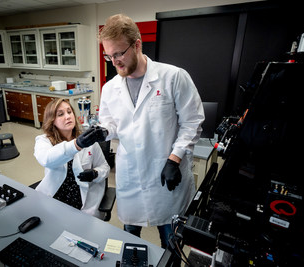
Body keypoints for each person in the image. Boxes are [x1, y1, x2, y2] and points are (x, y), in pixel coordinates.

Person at [97, 14, 205, 248]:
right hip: (130, 178)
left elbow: (192, 122)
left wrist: (174, 159)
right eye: (109, 55)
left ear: (137, 44)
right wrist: (101, 132)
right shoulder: (110, 88)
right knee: (130, 241)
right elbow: (111, 124)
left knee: (170, 245)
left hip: (166, 176)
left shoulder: (173, 77)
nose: (114, 62)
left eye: (118, 54)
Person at [33, 98, 110, 219]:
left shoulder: (88, 140)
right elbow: (46, 159)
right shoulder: (44, 140)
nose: (68, 116)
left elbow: (105, 167)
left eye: (69, 112)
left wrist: (95, 173)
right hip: (55, 198)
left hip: (82, 200)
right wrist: (76, 145)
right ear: (52, 120)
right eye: (61, 114)